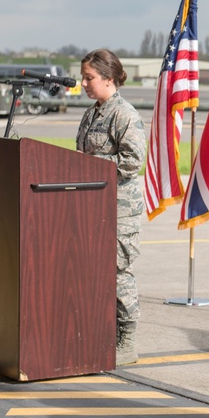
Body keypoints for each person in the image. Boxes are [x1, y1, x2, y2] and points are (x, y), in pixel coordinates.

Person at [75, 49, 147, 366]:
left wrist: (91, 167)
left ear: (108, 77)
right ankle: (101, 332)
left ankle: (127, 340)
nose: (84, 84)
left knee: (117, 274)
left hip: (119, 211)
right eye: (83, 78)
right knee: (93, 273)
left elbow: (133, 161)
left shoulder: (125, 115)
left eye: (89, 78)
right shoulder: (92, 114)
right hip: (92, 206)